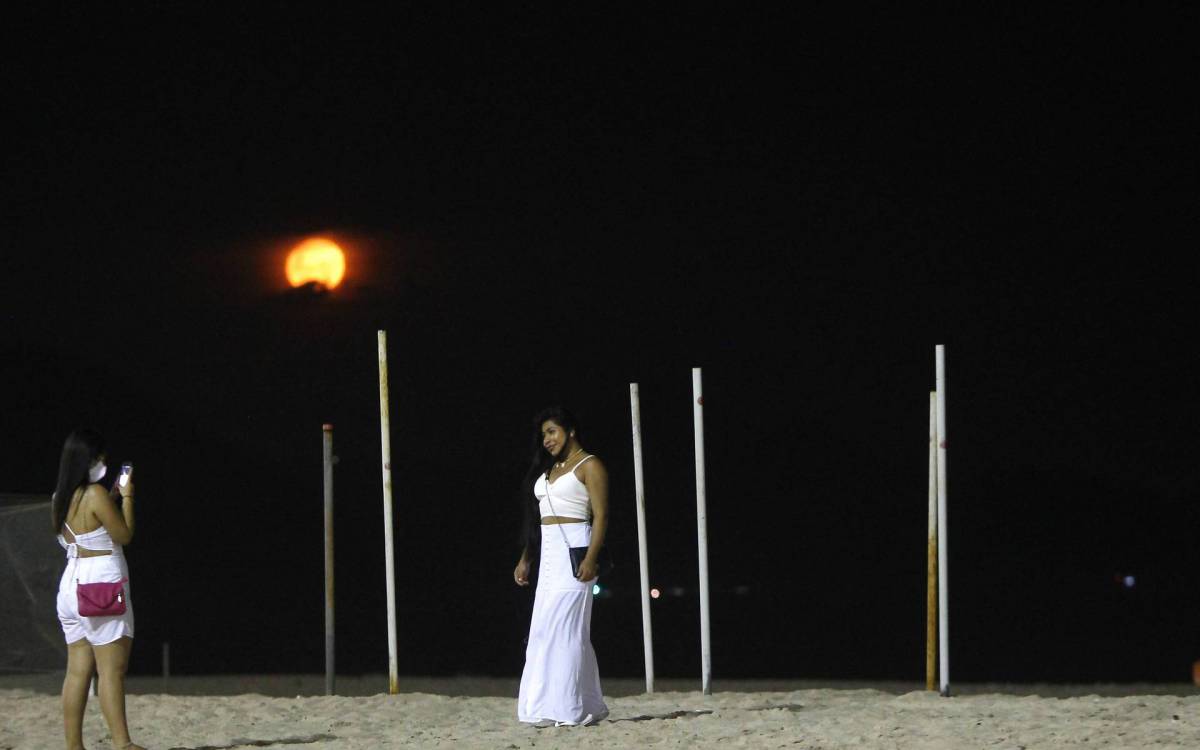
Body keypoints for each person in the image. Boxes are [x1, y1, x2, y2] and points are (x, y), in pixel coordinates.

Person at [514, 406, 610, 726]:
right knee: (543, 631)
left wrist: (591, 558)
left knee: (567, 631)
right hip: (548, 556)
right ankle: (544, 706)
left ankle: (569, 709)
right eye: (543, 434)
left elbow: (601, 516)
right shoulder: (550, 468)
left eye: (552, 431)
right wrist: (526, 559)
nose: (547, 439)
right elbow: (537, 519)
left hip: (576, 550)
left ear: (570, 431)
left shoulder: (590, 465)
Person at [51, 428, 143, 750]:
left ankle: (73, 745)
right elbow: (124, 535)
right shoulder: (94, 494)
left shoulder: (59, 498)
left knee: (77, 671)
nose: (103, 462)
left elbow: (86, 530)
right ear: (88, 460)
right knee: (111, 671)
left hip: (70, 586)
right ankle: (123, 744)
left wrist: (111, 499)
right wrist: (127, 497)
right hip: (101, 584)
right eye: (100, 458)